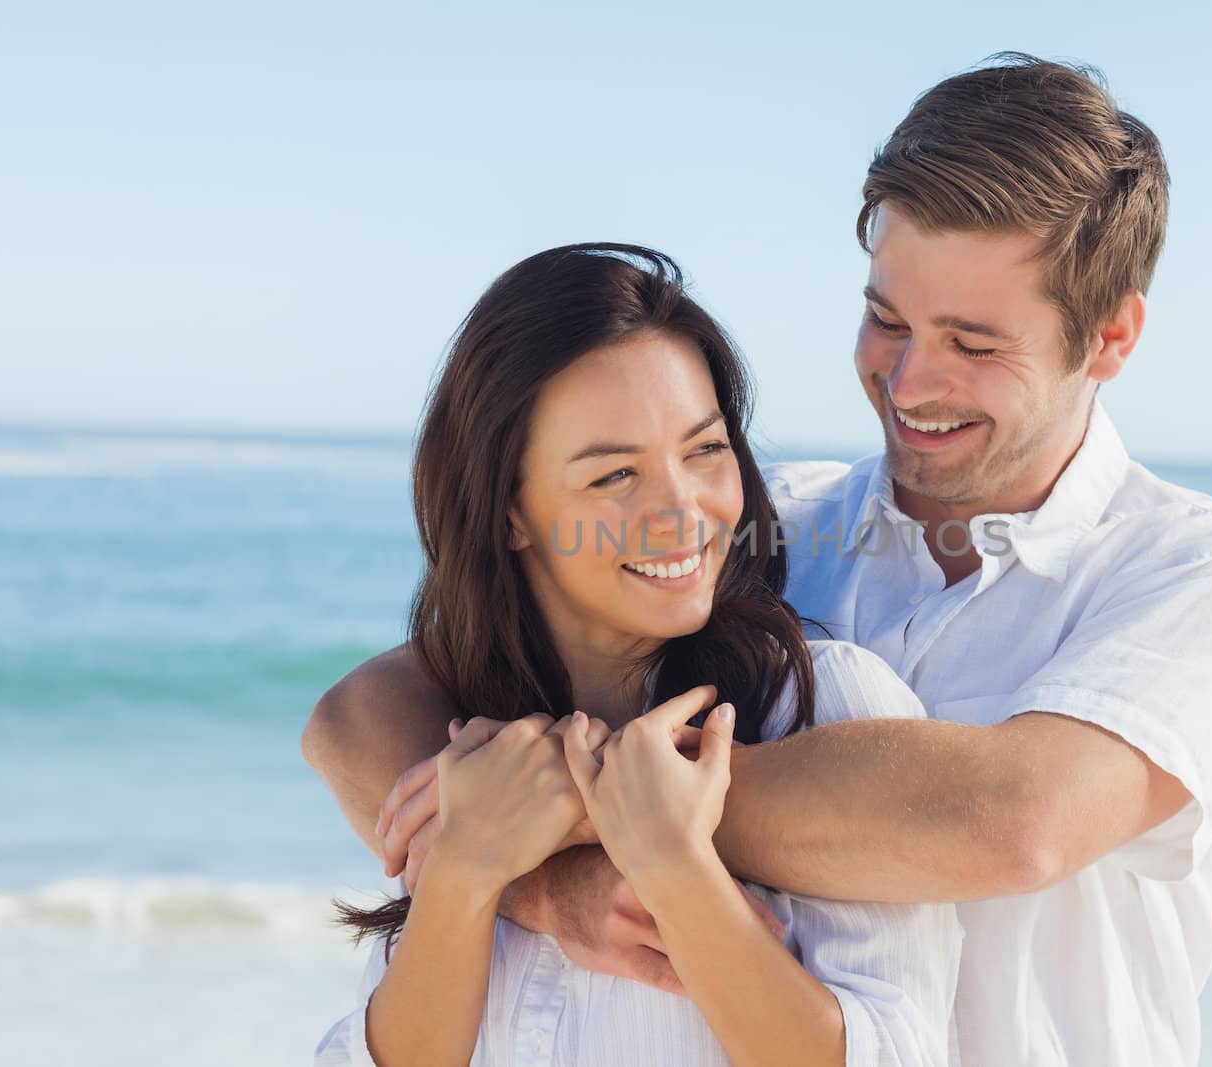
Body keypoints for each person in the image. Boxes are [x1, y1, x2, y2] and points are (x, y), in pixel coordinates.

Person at [304, 54, 1212, 1066]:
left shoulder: (1210, 577)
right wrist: (521, 878)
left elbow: (1012, 823)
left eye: (972, 342)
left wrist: (570, 809)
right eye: (887, 318)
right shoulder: (747, 531)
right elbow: (363, 713)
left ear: (1110, 335)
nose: (910, 378)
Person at [311, 243, 960, 1066]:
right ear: (511, 510)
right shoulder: (467, 754)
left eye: (705, 450)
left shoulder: (823, 705)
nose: (681, 512)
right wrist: (467, 871)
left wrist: (674, 863)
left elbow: (893, 1053)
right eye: (615, 475)